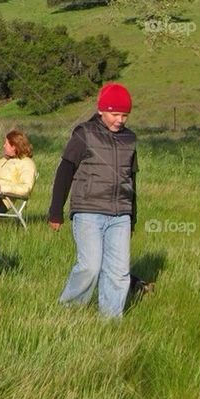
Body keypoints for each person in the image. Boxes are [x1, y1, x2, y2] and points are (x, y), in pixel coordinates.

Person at [49, 83, 138, 319]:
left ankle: (110, 321)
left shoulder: (130, 139)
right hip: (88, 211)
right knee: (90, 266)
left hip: (120, 215)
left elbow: (132, 179)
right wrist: (56, 211)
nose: (120, 120)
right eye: (115, 114)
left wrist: (132, 217)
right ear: (101, 111)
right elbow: (65, 171)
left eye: (125, 115)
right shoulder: (84, 134)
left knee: (119, 272)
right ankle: (69, 311)